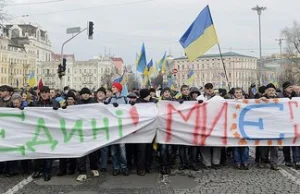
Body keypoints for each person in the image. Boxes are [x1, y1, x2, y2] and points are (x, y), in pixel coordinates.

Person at [31, 86, 60, 181]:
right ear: (40, 93)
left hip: (50, 132)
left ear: (49, 93)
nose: (44, 94)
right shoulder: (34, 103)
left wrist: (59, 109)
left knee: (48, 152)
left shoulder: (55, 103)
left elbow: (62, 114)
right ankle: (38, 170)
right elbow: (28, 114)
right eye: (42, 92)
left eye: (46, 92)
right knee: (38, 152)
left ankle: (47, 171)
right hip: (38, 131)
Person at [105, 82, 129, 176]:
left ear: (119, 89)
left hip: (122, 128)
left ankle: (124, 167)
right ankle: (116, 167)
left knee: (122, 148)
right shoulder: (109, 99)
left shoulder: (125, 99)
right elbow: (103, 109)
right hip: (113, 128)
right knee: (114, 150)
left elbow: (129, 110)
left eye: (114, 87)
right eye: (112, 87)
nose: (112, 88)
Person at [76, 87, 99, 181]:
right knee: (81, 152)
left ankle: (94, 168)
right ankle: (82, 171)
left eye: (87, 93)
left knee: (93, 152)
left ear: (89, 94)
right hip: (81, 131)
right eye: (83, 93)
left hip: (92, 131)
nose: (85, 95)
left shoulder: (94, 103)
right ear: (81, 95)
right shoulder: (77, 104)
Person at [197, 83, 222, 169]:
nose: (209, 90)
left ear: (213, 89)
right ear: (204, 89)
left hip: (216, 124)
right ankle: (206, 162)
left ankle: (216, 162)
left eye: (210, 88)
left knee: (216, 144)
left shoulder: (219, 99)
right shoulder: (200, 98)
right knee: (205, 144)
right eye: (207, 88)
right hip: (203, 124)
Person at [135, 89, 157, 176]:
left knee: (149, 150)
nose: (150, 96)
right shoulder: (137, 104)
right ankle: (140, 168)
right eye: (148, 95)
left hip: (150, 130)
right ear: (144, 96)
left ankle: (148, 166)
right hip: (141, 131)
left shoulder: (153, 102)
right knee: (141, 150)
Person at [279, 81, 300, 168]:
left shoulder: (296, 97)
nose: (291, 89)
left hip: (295, 123)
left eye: (291, 87)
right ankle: (288, 160)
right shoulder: (280, 97)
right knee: (287, 143)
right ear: (285, 89)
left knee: (296, 143)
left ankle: (297, 160)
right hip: (285, 123)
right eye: (289, 87)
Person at [259, 83, 279, 170]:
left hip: (275, 126)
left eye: (272, 90)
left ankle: (274, 163)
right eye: (269, 90)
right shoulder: (262, 99)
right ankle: (263, 160)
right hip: (264, 126)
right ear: (266, 91)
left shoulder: (279, 100)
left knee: (274, 146)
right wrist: (260, 99)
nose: (271, 92)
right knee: (264, 145)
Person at [57, 91, 77, 176]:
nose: (69, 100)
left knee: (73, 151)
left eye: (71, 99)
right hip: (64, 133)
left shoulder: (78, 109)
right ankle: (62, 170)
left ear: (74, 100)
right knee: (63, 152)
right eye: (68, 99)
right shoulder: (63, 108)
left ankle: (72, 169)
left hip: (73, 133)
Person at [159, 87, 175, 174]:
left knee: (169, 150)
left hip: (171, 129)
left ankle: (168, 166)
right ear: (162, 94)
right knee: (163, 149)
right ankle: (163, 166)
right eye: (165, 92)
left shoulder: (174, 102)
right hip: (162, 129)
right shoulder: (158, 103)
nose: (167, 93)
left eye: (168, 92)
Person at [233, 88, 249, 170]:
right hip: (234, 126)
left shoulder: (247, 101)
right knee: (236, 145)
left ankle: (245, 162)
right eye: (237, 92)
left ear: (242, 93)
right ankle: (237, 162)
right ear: (234, 94)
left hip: (244, 126)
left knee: (245, 145)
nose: (238, 94)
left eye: (240, 92)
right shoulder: (231, 102)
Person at [177, 85, 192, 171]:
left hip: (191, 127)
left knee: (191, 146)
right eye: (184, 90)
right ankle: (183, 163)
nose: (186, 91)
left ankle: (191, 163)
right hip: (181, 127)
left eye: (187, 90)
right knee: (182, 146)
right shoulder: (178, 100)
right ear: (181, 91)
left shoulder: (193, 101)